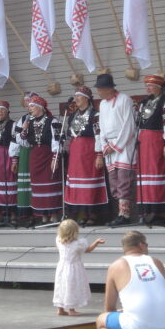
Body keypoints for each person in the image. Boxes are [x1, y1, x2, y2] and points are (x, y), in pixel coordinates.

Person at [96, 231, 165, 329]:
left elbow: (109, 308)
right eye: (147, 245)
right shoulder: (157, 262)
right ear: (141, 245)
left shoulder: (116, 266)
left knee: (101, 320)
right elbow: (155, 298)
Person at [95, 74, 137, 227]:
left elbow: (129, 126)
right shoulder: (102, 104)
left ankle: (125, 215)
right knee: (114, 181)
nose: (98, 92)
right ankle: (119, 213)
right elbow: (101, 128)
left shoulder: (124, 99)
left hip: (123, 145)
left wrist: (115, 146)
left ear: (108, 89)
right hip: (109, 146)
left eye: (99, 89)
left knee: (124, 180)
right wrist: (104, 145)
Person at [136, 74, 165, 228]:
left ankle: (160, 213)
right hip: (144, 143)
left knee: (157, 174)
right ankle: (147, 211)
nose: (148, 88)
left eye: (151, 85)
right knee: (145, 177)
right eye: (146, 85)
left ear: (159, 87)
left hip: (157, 141)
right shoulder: (144, 102)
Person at [64, 86, 108, 225]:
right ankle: (81, 213)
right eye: (75, 96)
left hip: (89, 152)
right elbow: (69, 136)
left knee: (90, 182)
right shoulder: (72, 116)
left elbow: (99, 135)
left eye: (79, 96)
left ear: (87, 98)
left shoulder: (95, 115)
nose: (76, 98)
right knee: (77, 184)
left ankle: (92, 214)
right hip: (76, 153)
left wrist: (99, 155)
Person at [17, 95, 62, 224]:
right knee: (37, 186)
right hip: (35, 155)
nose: (29, 109)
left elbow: (57, 140)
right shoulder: (29, 122)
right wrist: (24, 129)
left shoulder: (52, 121)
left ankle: (53, 213)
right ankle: (43, 214)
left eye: (32, 106)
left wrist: (55, 158)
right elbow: (23, 141)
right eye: (29, 106)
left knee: (50, 184)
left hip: (48, 154)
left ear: (40, 107)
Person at [53, 219, 105, 316]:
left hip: (61, 267)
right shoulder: (78, 244)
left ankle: (60, 309)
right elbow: (88, 250)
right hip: (73, 268)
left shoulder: (58, 240)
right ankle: (71, 309)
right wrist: (96, 242)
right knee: (72, 287)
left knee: (61, 286)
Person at [11, 91, 38, 227]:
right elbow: (15, 140)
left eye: (31, 101)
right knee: (25, 185)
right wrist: (14, 159)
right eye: (27, 102)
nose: (29, 104)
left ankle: (38, 213)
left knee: (36, 183)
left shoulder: (44, 117)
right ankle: (26, 215)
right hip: (24, 154)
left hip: (37, 151)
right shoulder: (22, 120)